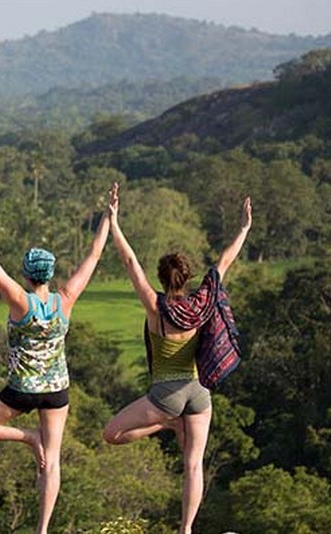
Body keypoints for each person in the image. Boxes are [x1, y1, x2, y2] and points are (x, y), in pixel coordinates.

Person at [101, 182, 252, 534]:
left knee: (112, 433)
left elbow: (129, 262)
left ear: (162, 278)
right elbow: (225, 262)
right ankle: (186, 530)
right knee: (193, 464)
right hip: (199, 392)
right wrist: (243, 228)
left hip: (165, 396)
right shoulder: (201, 302)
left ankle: (165, 424)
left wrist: (114, 222)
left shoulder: (157, 308)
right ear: (187, 277)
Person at [0, 187, 111, 534]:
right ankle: (42, 529)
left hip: (21, 390)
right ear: (50, 274)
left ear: (27, 275)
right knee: (52, 460)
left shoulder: (19, 301)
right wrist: (108, 218)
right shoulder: (65, 299)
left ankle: (26, 437)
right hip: (57, 390)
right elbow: (94, 255)